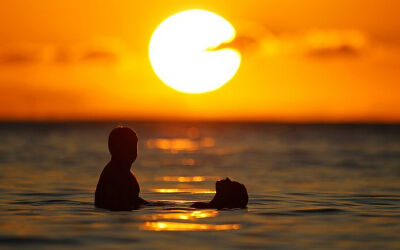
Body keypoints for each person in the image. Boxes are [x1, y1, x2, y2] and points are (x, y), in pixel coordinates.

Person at [95, 126, 147, 211]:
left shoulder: (125, 172)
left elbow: (132, 200)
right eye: (128, 145)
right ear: (116, 147)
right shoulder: (114, 172)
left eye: (134, 144)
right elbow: (119, 202)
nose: (132, 149)